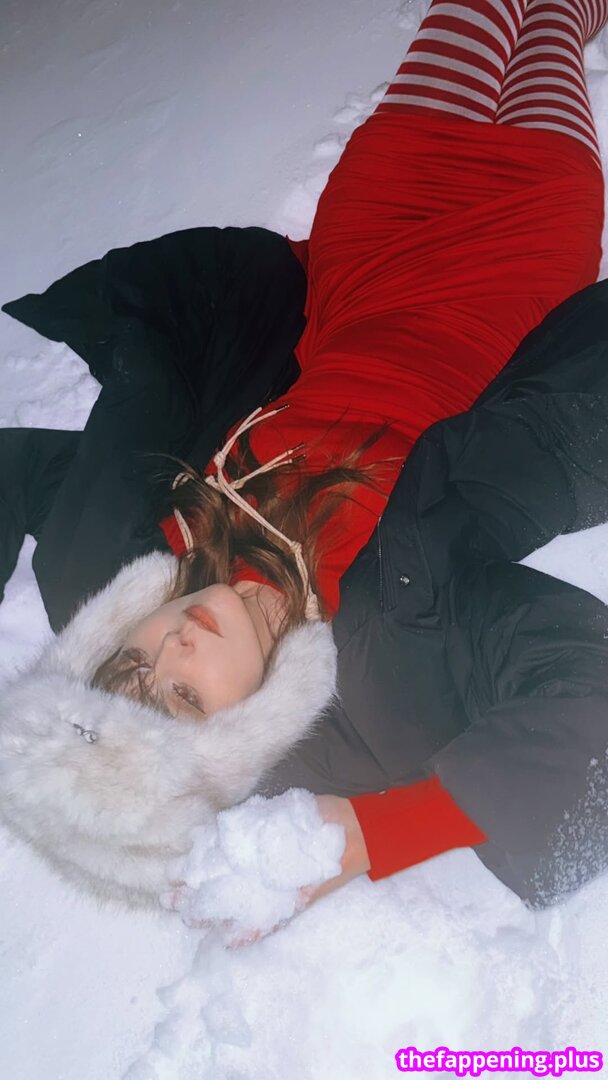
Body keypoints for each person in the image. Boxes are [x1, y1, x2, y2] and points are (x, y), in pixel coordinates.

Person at [2, 0, 608, 920]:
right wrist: (370, 836)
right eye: (184, 697)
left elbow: (22, 476)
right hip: (513, 265)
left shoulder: (161, 537)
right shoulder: (388, 646)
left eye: (134, 659)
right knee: (555, 21)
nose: (173, 646)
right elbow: (589, 705)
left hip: (369, 239)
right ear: (241, 740)